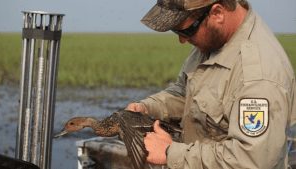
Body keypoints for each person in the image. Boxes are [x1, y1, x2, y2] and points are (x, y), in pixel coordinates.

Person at [126, 0, 296, 168]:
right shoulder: (214, 38)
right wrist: (148, 108)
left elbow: (251, 161)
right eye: (175, 30)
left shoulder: (259, 77)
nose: (182, 40)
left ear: (217, 13)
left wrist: (169, 153)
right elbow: (187, 92)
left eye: (186, 30)